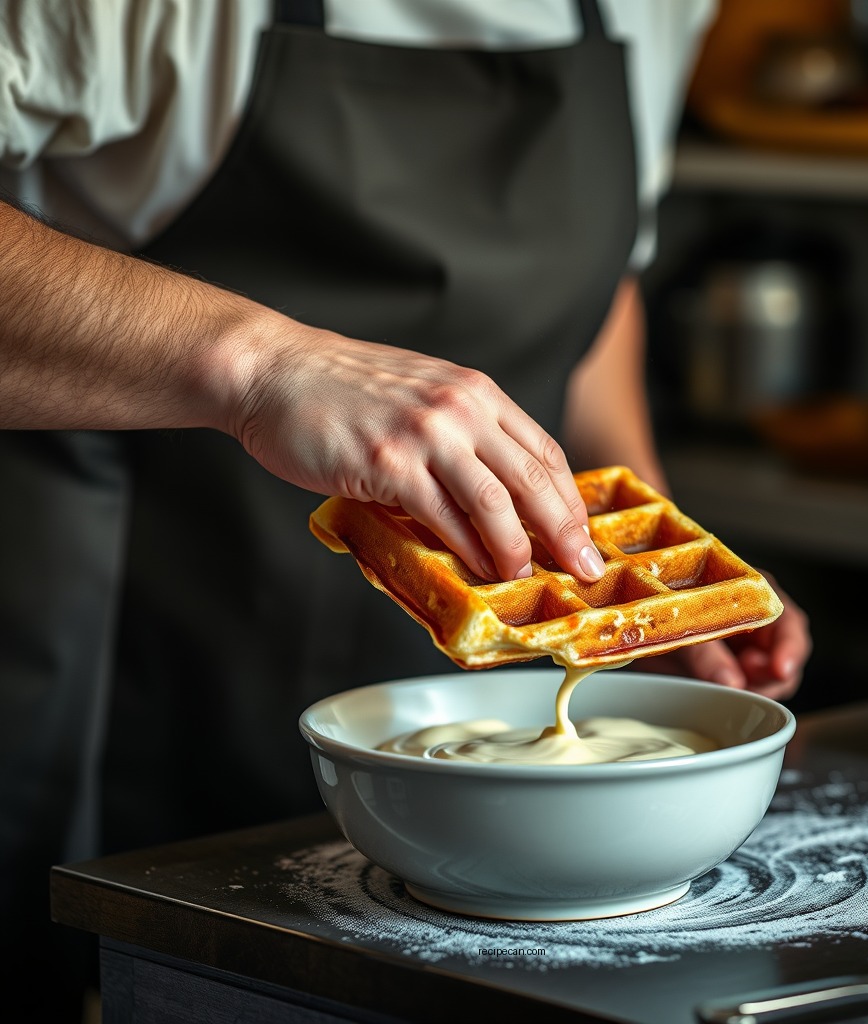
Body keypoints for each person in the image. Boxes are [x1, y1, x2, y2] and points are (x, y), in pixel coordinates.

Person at [0, 1, 811, 1018]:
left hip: (475, 813)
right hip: (122, 682)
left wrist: (644, 588)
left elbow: (594, 293)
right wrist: (260, 366)